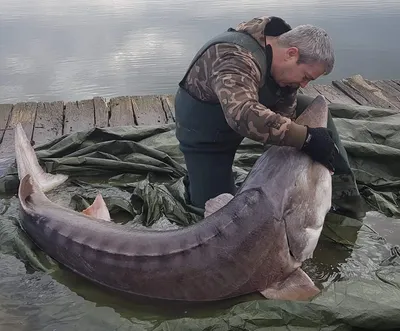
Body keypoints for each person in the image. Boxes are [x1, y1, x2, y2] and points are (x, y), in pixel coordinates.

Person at [174, 15, 366, 220]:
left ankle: (344, 199)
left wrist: (294, 150)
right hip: (206, 133)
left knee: (311, 108)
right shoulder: (234, 57)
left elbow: (287, 110)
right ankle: (197, 180)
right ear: (291, 54)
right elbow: (242, 113)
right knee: (217, 214)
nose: (304, 85)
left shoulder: (281, 55)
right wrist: (307, 138)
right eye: (306, 77)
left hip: (252, 113)